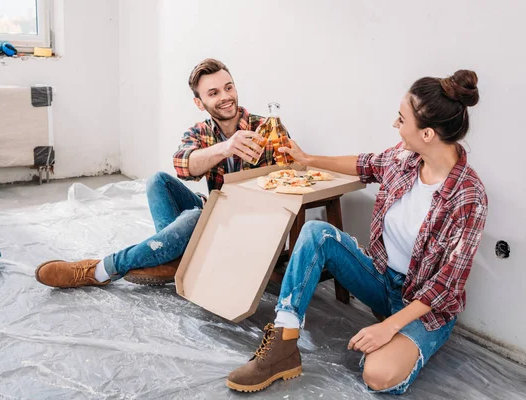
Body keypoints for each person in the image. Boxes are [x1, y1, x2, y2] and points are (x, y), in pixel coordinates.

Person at [226, 70, 487, 395]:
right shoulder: (406, 157)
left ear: (428, 134)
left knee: (377, 376)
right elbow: (367, 164)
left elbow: (446, 288)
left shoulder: (468, 196)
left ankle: (398, 341)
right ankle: (284, 341)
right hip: (382, 279)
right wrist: (308, 159)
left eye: (401, 119)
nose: (395, 125)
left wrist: (388, 327)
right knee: (316, 233)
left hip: (426, 308)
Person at [35, 58, 277, 288]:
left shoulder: (267, 128)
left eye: (228, 88)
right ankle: (172, 259)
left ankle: (100, 270)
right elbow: (183, 165)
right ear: (199, 103)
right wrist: (225, 148)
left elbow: (290, 181)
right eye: (213, 93)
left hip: (244, 224)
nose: (225, 97)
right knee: (158, 181)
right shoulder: (200, 131)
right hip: (215, 210)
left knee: (194, 217)